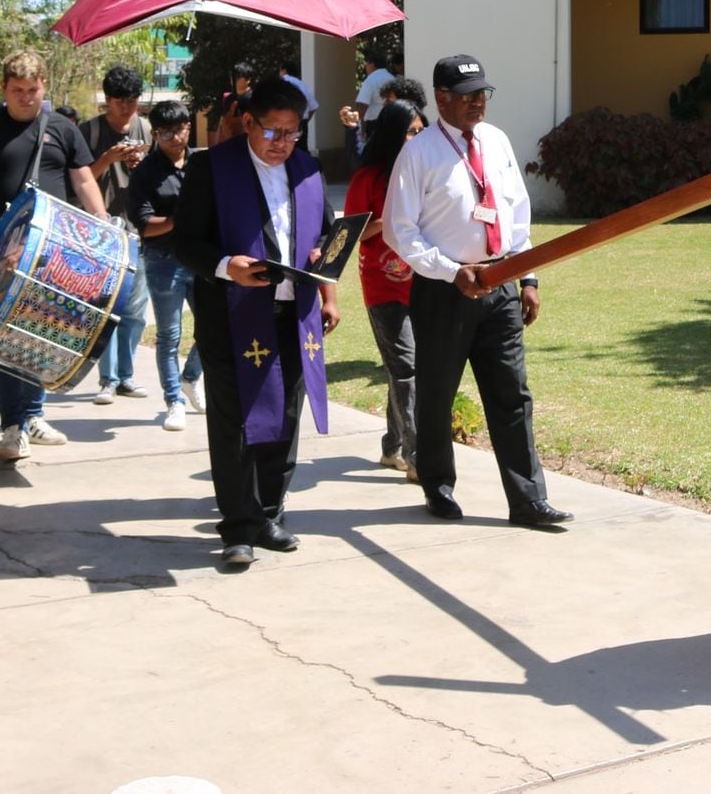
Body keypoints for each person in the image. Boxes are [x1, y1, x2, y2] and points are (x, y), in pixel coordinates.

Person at [383, 54, 570, 528]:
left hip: (500, 283)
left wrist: (527, 276)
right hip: (445, 290)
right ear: (442, 97)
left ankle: (527, 500)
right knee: (437, 393)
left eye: (483, 94)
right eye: (468, 96)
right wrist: (450, 271)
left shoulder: (496, 140)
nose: (478, 104)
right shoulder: (419, 152)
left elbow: (515, 211)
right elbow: (399, 231)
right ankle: (438, 488)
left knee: (512, 393)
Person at [175, 78, 340, 565]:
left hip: (294, 310)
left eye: (292, 133)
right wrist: (228, 266)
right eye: (272, 132)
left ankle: (269, 512)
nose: (282, 144)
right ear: (248, 122)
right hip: (232, 311)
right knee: (236, 423)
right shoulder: (212, 167)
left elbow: (327, 235)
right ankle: (237, 526)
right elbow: (186, 241)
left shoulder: (307, 169)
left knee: (285, 416)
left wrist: (324, 271)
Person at [0, 49, 107, 459]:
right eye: (17, 90)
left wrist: (102, 219)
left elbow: (83, 178)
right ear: (3, 88)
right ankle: (11, 426)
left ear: (44, 86)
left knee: (40, 334)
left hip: (51, 252)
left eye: (33, 90)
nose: (26, 97)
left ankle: (34, 415)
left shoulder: (61, 128)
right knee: (4, 338)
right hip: (1, 251)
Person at [345, 99, 426, 480]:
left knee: (407, 369)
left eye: (422, 130)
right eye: (412, 130)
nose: (419, 137)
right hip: (383, 285)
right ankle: (415, 455)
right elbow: (352, 234)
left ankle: (392, 446)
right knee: (406, 367)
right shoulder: (369, 178)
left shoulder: (424, 173)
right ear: (394, 133)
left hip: (425, 282)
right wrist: (392, 218)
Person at [126, 99, 205, 431]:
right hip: (163, 260)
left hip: (201, 257)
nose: (176, 137)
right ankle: (173, 400)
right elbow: (144, 224)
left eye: (181, 128)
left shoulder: (202, 163)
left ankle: (190, 378)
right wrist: (178, 218)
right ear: (155, 133)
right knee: (169, 335)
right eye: (166, 132)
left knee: (212, 327)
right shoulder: (145, 172)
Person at [79, 65, 151, 404]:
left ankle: (127, 376)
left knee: (135, 310)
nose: (127, 108)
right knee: (103, 308)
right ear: (107, 100)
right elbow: (77, 182)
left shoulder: (146, 128)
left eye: (134, 100)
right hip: (100, 232)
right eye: (121, 101)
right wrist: (107, 159)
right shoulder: (89, 133)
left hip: (137, 229)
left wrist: (140, 167)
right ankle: (106, 380)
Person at [277, 58, 318, 152]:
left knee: (286, 150)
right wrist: (305, 120)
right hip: (302, 122)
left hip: (286, 123)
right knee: (302, 151)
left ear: (284, 70)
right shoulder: (301, 84)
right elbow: (313, 106)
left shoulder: (283, 80)